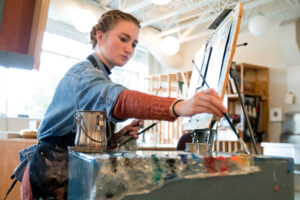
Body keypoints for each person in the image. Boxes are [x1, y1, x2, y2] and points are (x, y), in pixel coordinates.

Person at [19, 9, 227, 199]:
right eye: (123, 39)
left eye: (134, 44)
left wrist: (117, 137)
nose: (129, 49)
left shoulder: (100, 76)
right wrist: (180, 106)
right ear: (100, 36)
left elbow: (83, 136)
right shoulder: (85, 74)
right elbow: (119, 99)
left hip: (64, 169)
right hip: (50, 175)